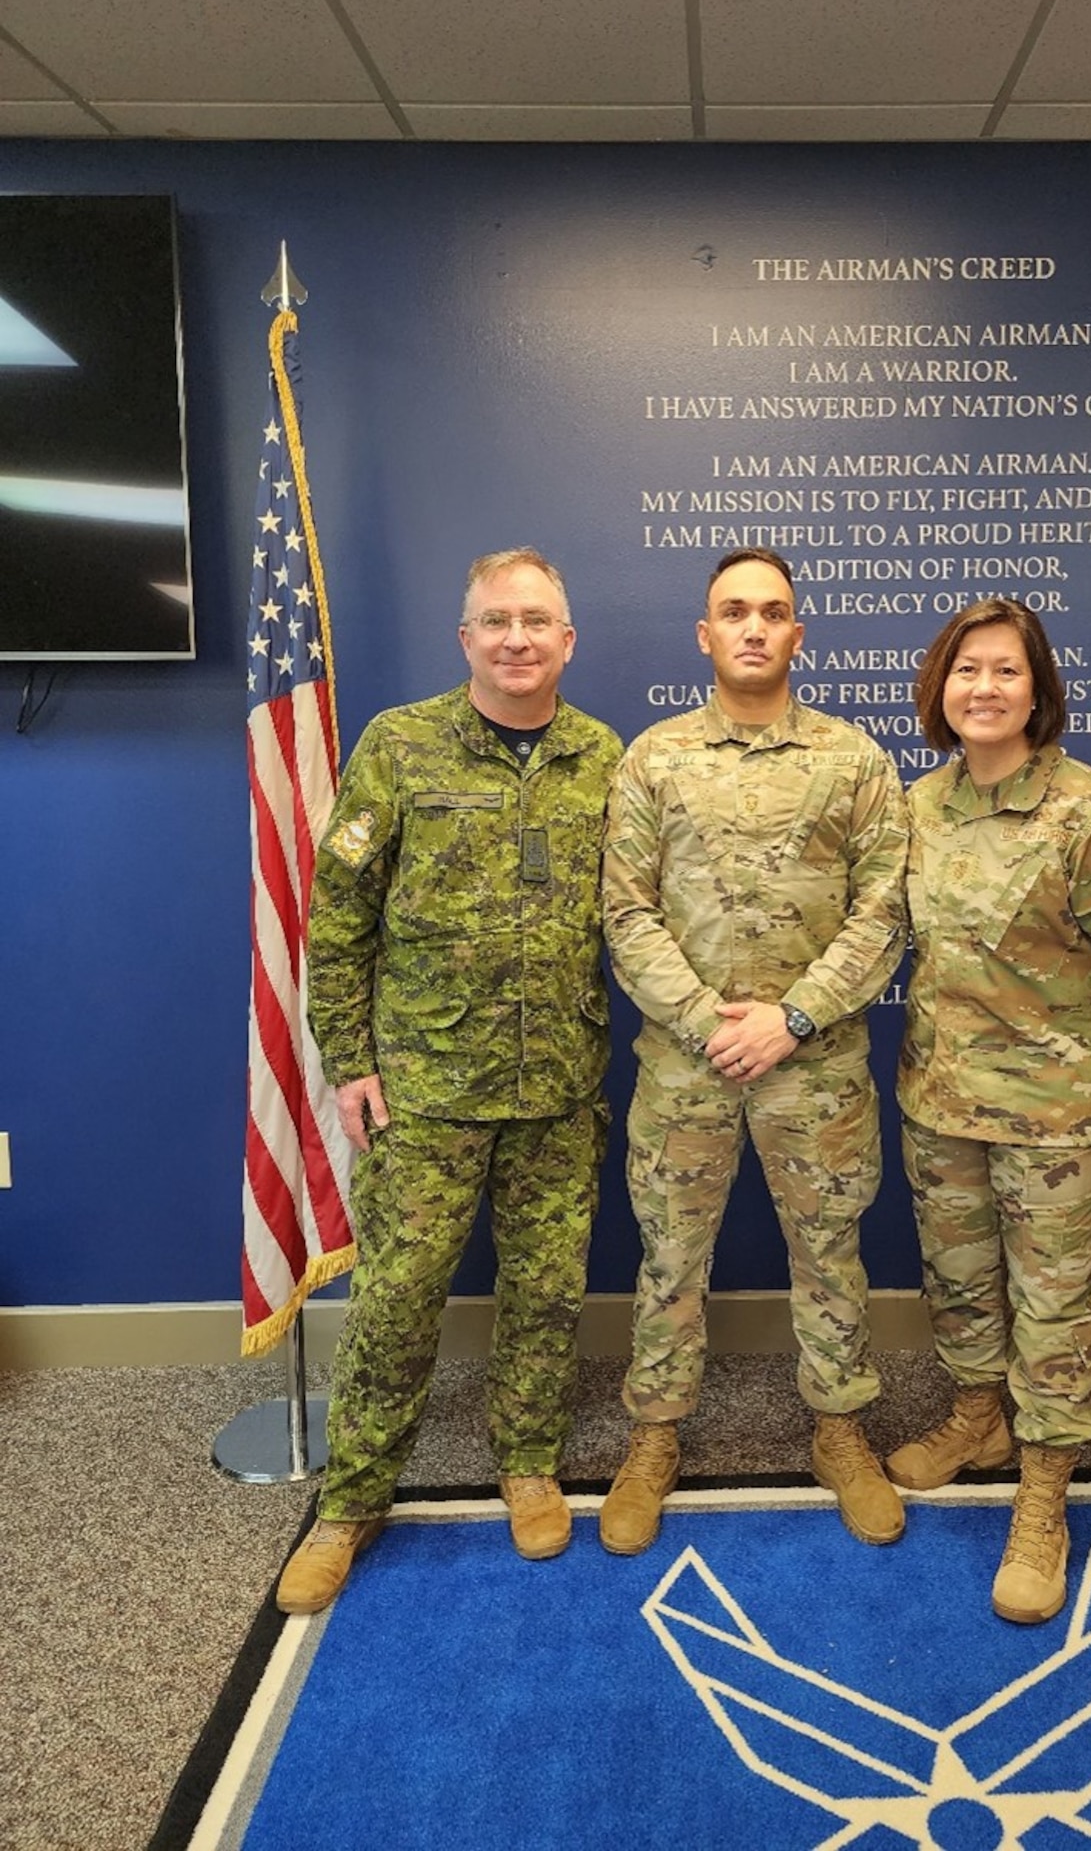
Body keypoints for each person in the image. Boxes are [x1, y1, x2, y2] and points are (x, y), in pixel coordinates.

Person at [275, 549, 622, 1613]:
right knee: (394, 1300)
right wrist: (349, 1059)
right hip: (423, 1088)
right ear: (462, 637)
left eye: (536, 620)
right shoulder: (400, 744)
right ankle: (349, 1501)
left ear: (568, 639)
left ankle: (527, 1460)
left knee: (547, 1293)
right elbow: (339, 916)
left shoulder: (603, 756)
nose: (515, 637)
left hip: (558, 1086)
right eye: (494, 620)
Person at [599, 548, 910, 1552]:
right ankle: (654, 1433)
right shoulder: (651, 758)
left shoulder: (853, 760)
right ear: (703, 633)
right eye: (731, 610)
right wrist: (703, 1018)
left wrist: (793, 1016)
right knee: (670, 1256)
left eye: (770, 612)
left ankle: (838, 1427)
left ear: (796, 634)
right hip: (686, 1062)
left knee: (828, 1254)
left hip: (812, 1065)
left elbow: (883, 910)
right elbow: (626, 908)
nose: (750, 627)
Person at [885, 597, 1091, 1625]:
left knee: (1051, 1316)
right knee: (959, 1288)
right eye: (966, 669)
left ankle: (1042, 1499)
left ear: (1037, 689)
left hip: (1056, 1117)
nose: (983, 688)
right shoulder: (918, 807)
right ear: (939, 687)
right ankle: (977, 1420)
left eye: (1004, 670)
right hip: (939, 1103)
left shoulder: (1087, 811)